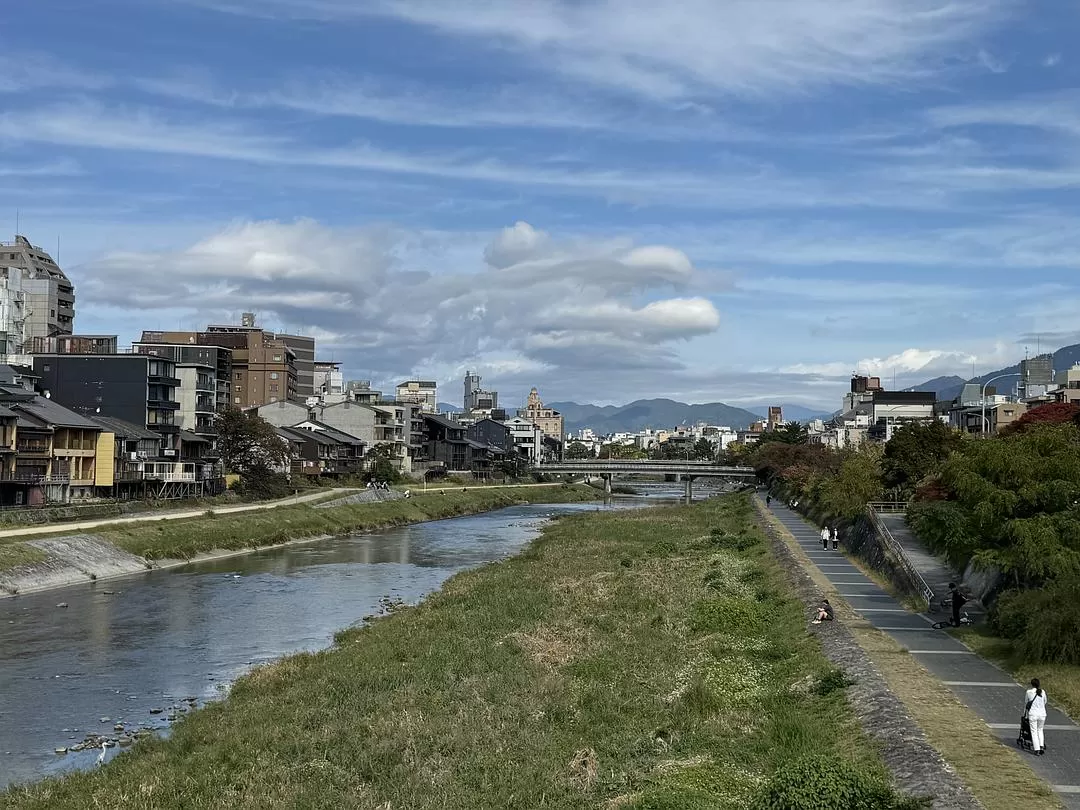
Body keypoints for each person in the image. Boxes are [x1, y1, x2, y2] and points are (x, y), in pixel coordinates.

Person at [1025, 678, 1048, 756]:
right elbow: (1045, 701)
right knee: (1040, 730)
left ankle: (1036, 749)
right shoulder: (1043, 692)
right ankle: (1041, 746)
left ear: (1031, 684)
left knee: (1034, 731)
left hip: (1033, 714)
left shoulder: (1029, 692)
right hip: (1042, 714)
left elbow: (1026, 703)